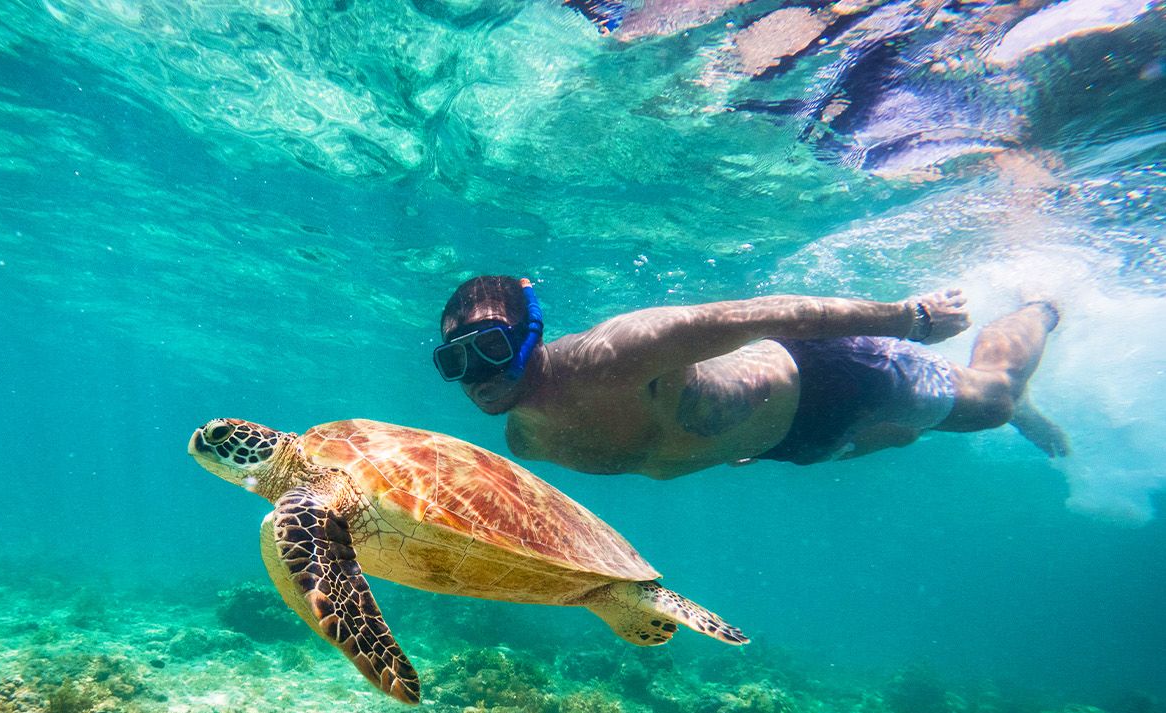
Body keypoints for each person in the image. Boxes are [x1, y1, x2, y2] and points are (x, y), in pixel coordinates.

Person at [433, 275, 1068, 479]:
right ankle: (987, 393)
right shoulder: (527, 441)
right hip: (789, 446)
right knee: (902, 437)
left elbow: (765, 314)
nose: (477, 377)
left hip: (833, 379)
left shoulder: (616, 354)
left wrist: (913, 316)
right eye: (454, 361)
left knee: (990, 405)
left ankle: (1041, 303)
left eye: (488, 347)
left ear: (531, 334)